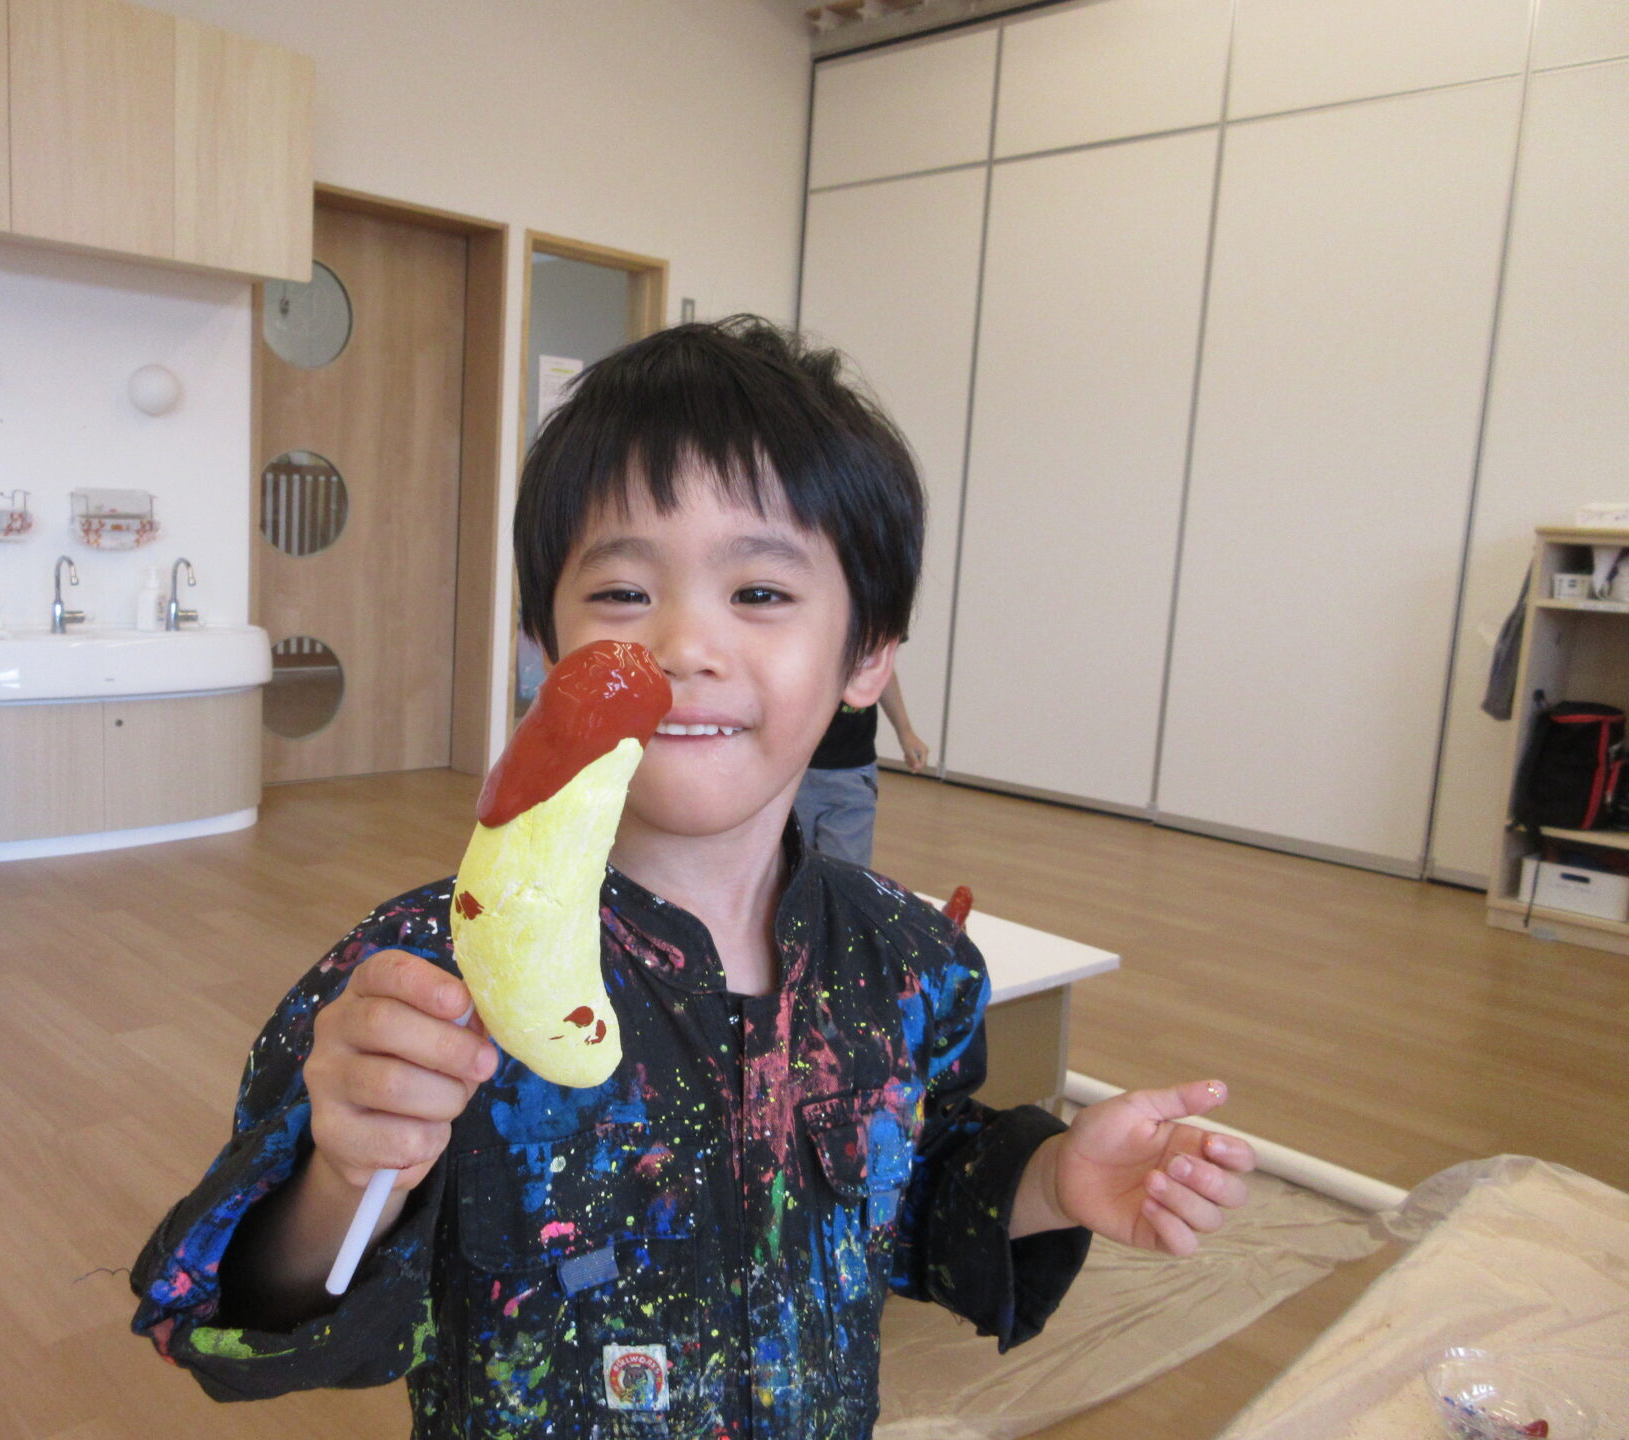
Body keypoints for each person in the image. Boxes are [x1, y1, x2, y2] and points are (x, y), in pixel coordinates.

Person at [129, 317, 1253, 1437]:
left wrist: (1051, 1181)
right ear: (544, 641)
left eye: (759, 593)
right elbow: (250, 1318)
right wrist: (342, 1172)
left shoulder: (912, 965)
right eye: (622, 594)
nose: (680, 646)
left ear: (867, 656)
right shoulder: (432, 974)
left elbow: (907, 1194)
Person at [795, 672, 928, 867]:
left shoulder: (871, 654)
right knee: (793, 867)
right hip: (792, 771)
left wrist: (905, 731)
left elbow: (883, 673)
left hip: (851, 772)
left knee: (845, 871)